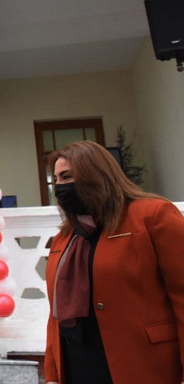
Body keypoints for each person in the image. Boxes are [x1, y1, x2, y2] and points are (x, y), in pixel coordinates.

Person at [44, 141, 184, 384]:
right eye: (56, 179)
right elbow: (54, 313)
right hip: (78, 363)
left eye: (67, 176)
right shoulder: (64, 237)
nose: (60, 187)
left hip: (144, 363)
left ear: (95, 174)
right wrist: (53, 373)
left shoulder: (152, 215)